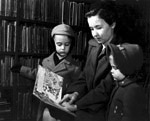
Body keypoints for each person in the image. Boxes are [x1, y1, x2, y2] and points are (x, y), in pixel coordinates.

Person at [57, 1, 128, 121]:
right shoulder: (93, 45)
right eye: (91, 29)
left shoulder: (122, 51)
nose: (94, 34)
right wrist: (75, 93)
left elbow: (105, 89)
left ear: (112, 24)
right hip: (86, 102)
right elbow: (85, 75)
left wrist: (76, 106)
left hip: (105, 110)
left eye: (98, 28)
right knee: (49, 113)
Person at [10, 23, 81, 121]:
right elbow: (38, 75)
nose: (63, 48)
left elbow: (78, 86)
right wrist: (21, 69)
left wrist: (69, 94)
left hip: (61, 105)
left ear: (71, 44)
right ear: (53, 43)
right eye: (59, 44)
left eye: (67, 44)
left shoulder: (75, 67)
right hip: (45, 102)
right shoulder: (46, 61)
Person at [107, 43, 148, 121]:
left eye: (114, 68)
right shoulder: (121, 85)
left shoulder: (132, 90)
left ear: (126, 67)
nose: (111, 71)